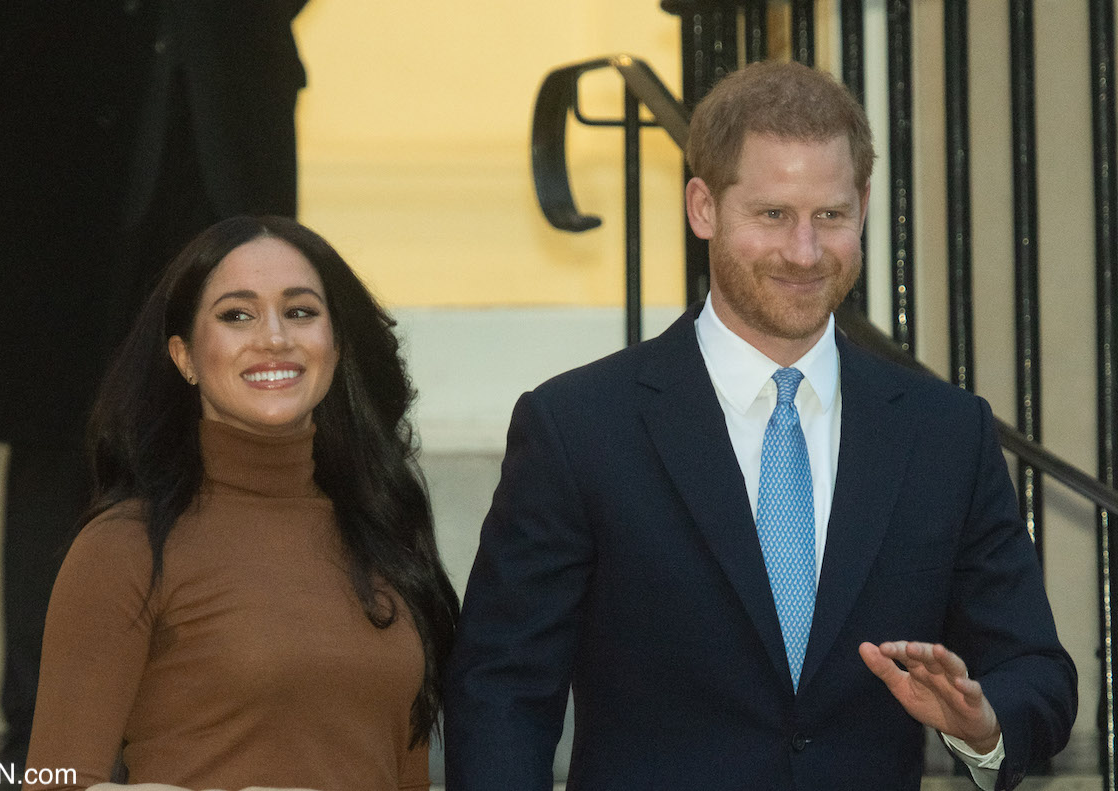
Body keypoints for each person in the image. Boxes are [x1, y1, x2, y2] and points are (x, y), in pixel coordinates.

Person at [444, 60, 1076, 790]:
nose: (804, 252)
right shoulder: (578, 427)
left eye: (830, 216)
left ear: (864, 207)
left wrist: (983, 719)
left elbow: (1038, 670)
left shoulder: (946, 435)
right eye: (773, 214)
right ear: (703, 207)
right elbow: (502, 690)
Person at [0, 3, 309, 779]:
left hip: (227, 102)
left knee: (237, 424)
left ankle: (219, 715)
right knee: (56, 433)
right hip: (57, 116)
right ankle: (44, 736)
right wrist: (19, 39)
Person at [23, 216, 459, 791]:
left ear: (336, 343)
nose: (274, 337)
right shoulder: (124, 545)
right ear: (184, 356)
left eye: (301, 311)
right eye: (237, 315)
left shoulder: (384, 530)